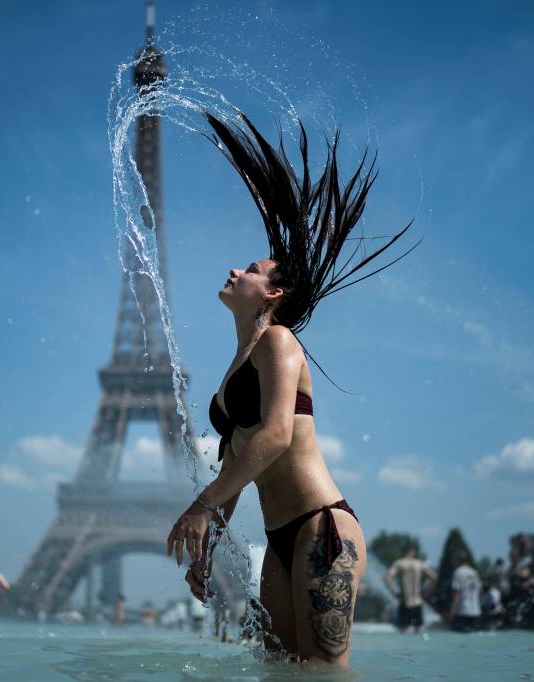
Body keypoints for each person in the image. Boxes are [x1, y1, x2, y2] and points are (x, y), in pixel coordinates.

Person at [167, 109, 413, 667]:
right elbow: (238, 457)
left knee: (324, 674)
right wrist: (209, 543)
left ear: (271, 296)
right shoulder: (235, 367)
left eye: (250, 269)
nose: (235, 271)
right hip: (279, 544)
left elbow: (276, 435)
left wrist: (201, 506)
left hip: (320, 527)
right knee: (279, 673)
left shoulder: (279, 342)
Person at [383, 543, 437, 634]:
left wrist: (395, 593)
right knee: (421, 632)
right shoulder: (420, 564)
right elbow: (434, 577)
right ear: (413, 552)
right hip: (417, 602)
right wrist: (426, 592)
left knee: (403, 631)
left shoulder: (399, 563)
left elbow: (387, 578)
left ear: (403, 552)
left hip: (404, 602)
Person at [449, 551, 482, 632]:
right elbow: (480, 590)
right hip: (476, 610)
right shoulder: (474, 572)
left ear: (457, 560)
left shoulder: (458, 572)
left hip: (463, 611)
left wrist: (453, 610)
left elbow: (457, 593)